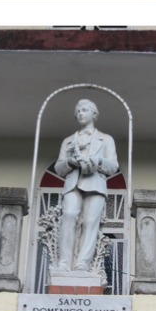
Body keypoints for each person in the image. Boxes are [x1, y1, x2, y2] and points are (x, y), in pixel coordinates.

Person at [51, 98, 118, 272]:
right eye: (78, 110)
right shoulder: (68, 141)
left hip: (95, 183)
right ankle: (64, 262)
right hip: (73, 183)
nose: (81, 113)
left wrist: (97, 161)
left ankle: (83, 263)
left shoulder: (106, 139)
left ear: (94, 114)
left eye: (85, 109)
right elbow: (58, 168)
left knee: (90, 222)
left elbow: (113, 166)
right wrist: (70, 162)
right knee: (69, 216)